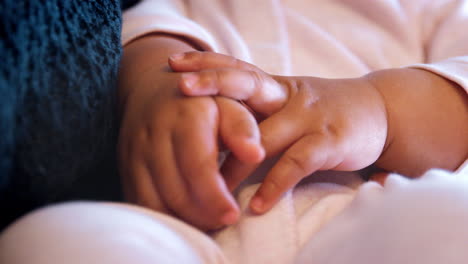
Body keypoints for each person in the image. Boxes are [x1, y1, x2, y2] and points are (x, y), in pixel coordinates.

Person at [1, 0, 467, 263]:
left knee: (450, 212)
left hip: (362, 220)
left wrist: (380, 108)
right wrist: (164, 91)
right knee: (56, 239)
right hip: (191, 234)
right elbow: (148, 40)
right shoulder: (182, 5)